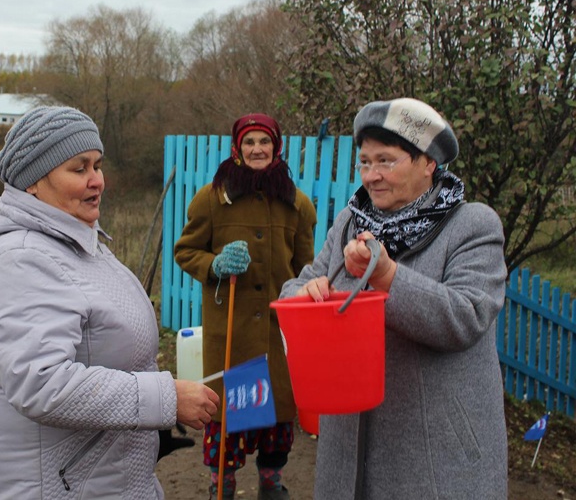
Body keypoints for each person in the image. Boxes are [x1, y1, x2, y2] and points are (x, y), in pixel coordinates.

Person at [0, 106, 219, 499]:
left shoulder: (72, 240)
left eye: (97, 165)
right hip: (57, 485)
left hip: (100, 477)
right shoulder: (19, 260)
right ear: (33, 183)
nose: (98, 181)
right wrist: (165, 398)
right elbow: (41, 382)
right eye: (79, 169)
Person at [280, 98, 508, 499]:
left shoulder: (472, 225)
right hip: (348, 447)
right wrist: (305, 294)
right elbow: (298, 286)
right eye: (365, 162)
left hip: (435, 452)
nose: (372, 176)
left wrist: (387, 276)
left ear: (428, 163)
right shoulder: (351, 221)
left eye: (386, 161)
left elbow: (467, 315)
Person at [174, 113, 317, 500]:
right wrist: (215, 264)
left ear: (276, 148)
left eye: (264, 142)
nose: (257, 149)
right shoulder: (212, 198)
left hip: (276, 335)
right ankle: (222, 487)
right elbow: (185, 251)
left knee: (276, 422)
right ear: (237, 148)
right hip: (231, 335)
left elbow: (307, 268)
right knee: (230, 418)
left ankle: (272, 486)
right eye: (250, 142)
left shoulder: (296, 204)